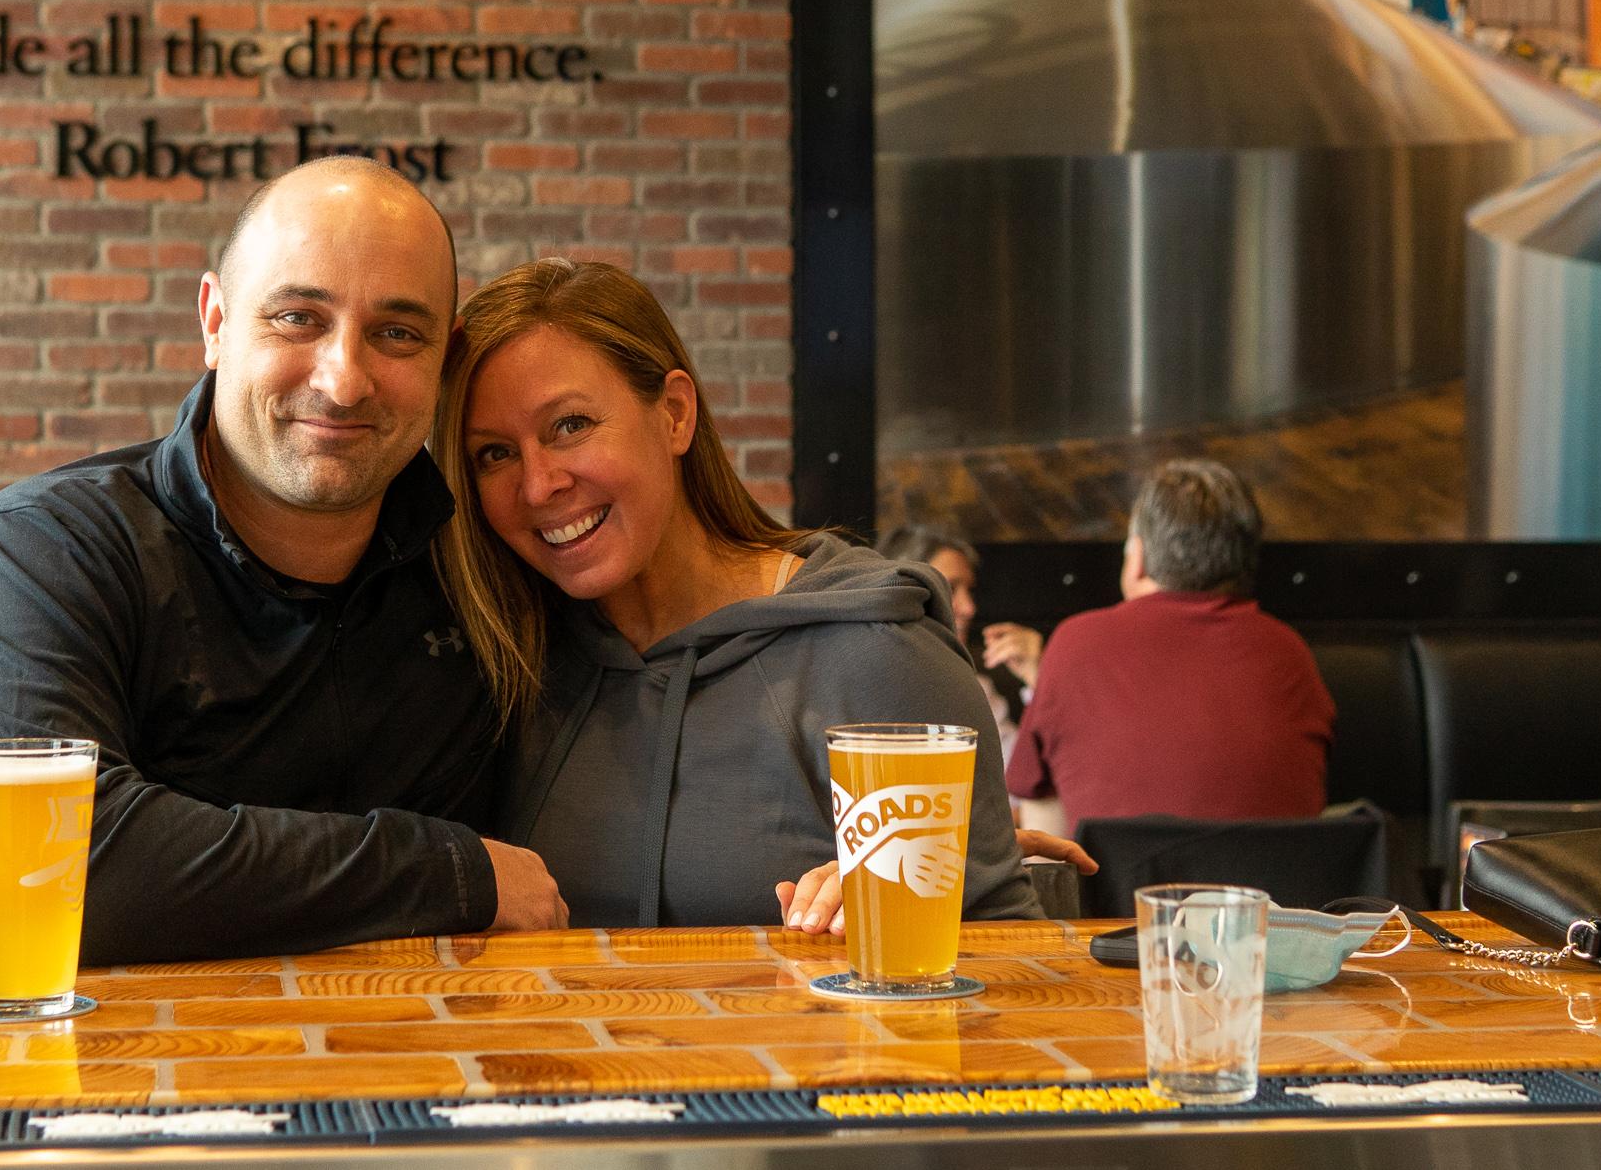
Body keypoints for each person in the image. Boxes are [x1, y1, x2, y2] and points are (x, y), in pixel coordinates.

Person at [0, 160, 565, 964]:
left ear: (445, 357)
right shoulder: (50, 549)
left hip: (431, 1064)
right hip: (119, 1076)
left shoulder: (486, 561)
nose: (344, 379)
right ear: (216, 322)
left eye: (397, 333)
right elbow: (30, 876)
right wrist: (450, 873)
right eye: (298, 318)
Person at [432, 257, 1042, 928]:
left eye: (569, 425)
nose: (536, 484)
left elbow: (1005, 968)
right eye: (494, 454)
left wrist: (894, 912)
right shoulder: (512, 663)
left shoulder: (874, 650)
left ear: (674, 414)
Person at [1003, 459, 1336, 834]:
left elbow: (1032, 793)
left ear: (1138, 560)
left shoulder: (1077, 642)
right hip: (1278, 892)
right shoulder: (1289, 651)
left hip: (1125, 891)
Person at [875, 524, 1042, 759]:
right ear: (900, 592)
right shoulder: (862, 685)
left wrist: (1037, 680)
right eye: (949, 588)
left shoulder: (975, 689)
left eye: (969, 590)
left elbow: (1019, 779)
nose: (969, 608)